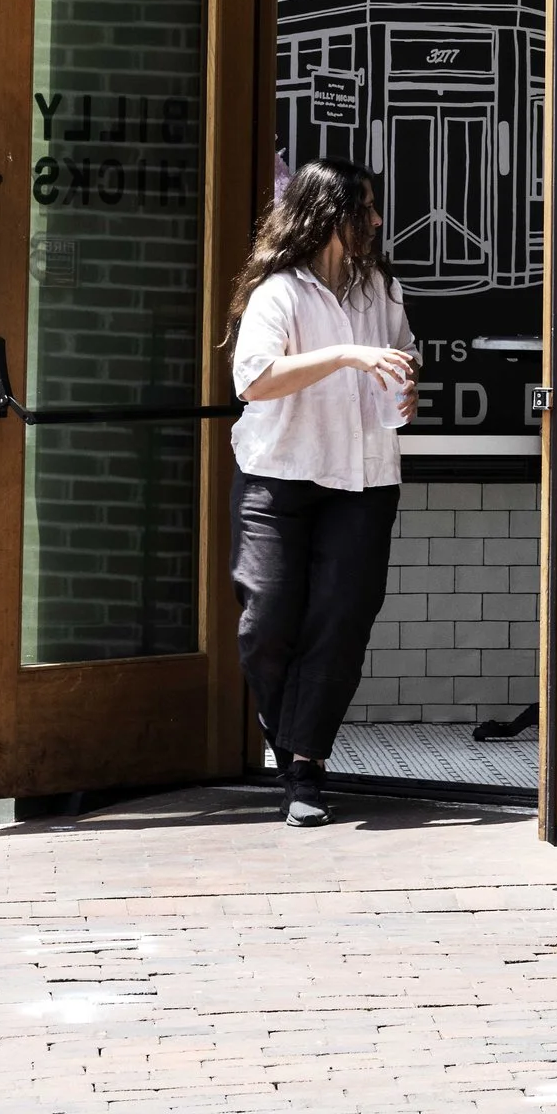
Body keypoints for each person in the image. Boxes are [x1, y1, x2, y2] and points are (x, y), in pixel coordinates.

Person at [227, 163, 417, 828]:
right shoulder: (280, 292)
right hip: (279, 471)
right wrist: (345, 355)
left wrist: (403, 391)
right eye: (364, 210)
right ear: (329, 217)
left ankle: (304, 766)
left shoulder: (381, 289)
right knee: (265, 622)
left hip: (363, 479)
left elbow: (398, 362)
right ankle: (288, 726)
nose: (375, 222)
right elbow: (253, 379)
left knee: (340, 622)